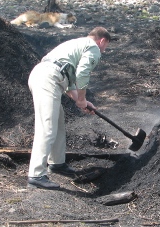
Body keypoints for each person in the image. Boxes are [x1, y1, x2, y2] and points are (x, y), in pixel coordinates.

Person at [27, 27, 111, 190]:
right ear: (102, 40)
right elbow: (83, 73)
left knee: (57, 123)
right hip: (49, 78)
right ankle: (36, 174)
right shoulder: (93, 47)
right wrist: (81, 99)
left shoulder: (78, 45)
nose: (104, 50)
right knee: (48, 126)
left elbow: (70, 83)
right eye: (105, 46)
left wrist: (83, 102)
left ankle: (57, 163)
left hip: (49, 77)